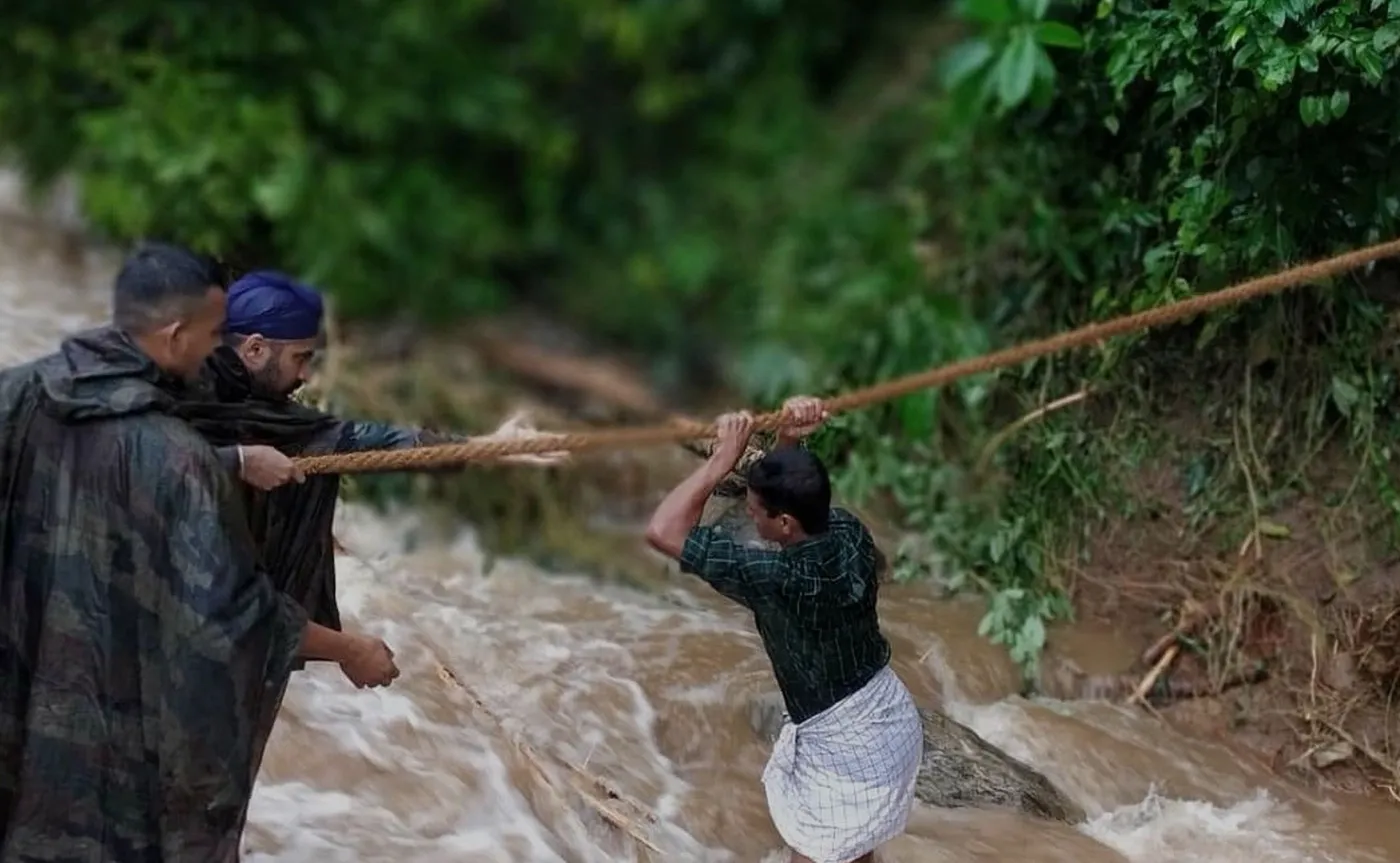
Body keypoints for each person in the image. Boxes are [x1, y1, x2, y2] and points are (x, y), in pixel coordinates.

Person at [0, 241, 375, 860]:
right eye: (210, 334)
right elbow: (237, 617)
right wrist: (350, 649)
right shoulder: (178, 461)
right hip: (99, 736)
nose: (216, 348)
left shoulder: (16, 392)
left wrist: (227, 460)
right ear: (175, 336)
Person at [174, 270, 565, 688]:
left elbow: (363, 441)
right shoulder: (167, 401)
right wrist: (348, 649)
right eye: (300, 359)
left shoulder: (272, 419)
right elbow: (227, 602)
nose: (306, 376)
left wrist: (486, 447)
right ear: (254, 349)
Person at [644, 397, 921, 863]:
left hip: (850, 752)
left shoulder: (777, 580)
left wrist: (721, 461)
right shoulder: (849, 532)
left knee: (816, 853)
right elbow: (792, 493)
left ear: (785, 522)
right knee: (853, 852)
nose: (750, 515)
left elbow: (663, 530)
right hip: (888, 722)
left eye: (755, 510)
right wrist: (789, 439)